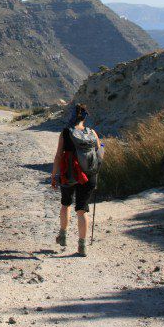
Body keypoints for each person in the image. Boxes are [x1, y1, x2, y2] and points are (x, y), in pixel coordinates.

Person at [51, 103, 101, 257]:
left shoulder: (66, 133)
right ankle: (82, 245)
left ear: (72, 116)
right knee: (82, 209)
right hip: (89, 175)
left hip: (69, 174)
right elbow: (99, 151)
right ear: (84, 118)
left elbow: (59, 155)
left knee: (65, 204)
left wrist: (54, 175)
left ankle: (63, 236)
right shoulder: (92, 132)